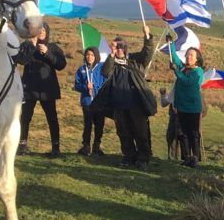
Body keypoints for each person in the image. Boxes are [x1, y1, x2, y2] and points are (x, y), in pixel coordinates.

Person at [101, 28, 156, 169]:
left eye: (121, 47)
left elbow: (147, 53)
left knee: (141, 131)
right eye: (116, 47)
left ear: (125, 48)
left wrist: (147, 36)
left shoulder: (135, 61)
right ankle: (129, 156)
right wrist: (111, 54)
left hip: (136, 104)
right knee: (124, 132)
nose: (119, 49)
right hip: (119, 104)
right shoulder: (112, 62)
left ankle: (143, 157)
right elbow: (105, 72)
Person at [15, 22, 67, 157]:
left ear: (47, 32)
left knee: (52, 118)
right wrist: (32, 46)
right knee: (25, 117)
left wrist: (48, 53)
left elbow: (61, 65)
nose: (41, 32)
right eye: (39, 30)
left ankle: (56, 148)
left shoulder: (53, 47)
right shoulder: (27, 45)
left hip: (47, 90)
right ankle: (22, 145)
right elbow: (20, 60)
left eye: (44, 30)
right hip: (29, 88)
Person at [168, 34, 204, 168]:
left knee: (193, 133)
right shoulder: (183, 68)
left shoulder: (198, 72)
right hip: (181, 107)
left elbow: (187, 82)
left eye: (191, 55)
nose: (188, 57)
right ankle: (186, 157)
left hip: (193, 109)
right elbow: (175, 59)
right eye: (187, 55)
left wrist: (176, 71)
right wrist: (171, 43)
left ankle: (195, 157)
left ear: (197, 59)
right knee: (182, 133)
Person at [73, 46, 106, 156]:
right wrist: (85, 87)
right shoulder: (82, 69)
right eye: (87, 55)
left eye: (92, 55)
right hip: (87, 101)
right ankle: (86, 146)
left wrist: (95, 86)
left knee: (99, 125)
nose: (89, 57)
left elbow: (105, 83)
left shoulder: (101, 68)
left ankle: (97, 146)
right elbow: (76, 85)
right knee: (87, 125)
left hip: (99, 101)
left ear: (96, 56)